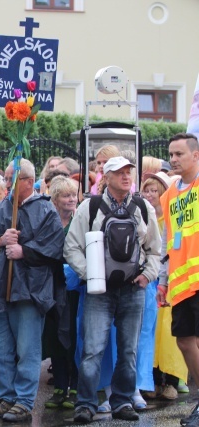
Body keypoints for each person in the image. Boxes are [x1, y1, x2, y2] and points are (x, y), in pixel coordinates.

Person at [64, 156, 161, 424]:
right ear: (106, 177)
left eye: (129, 171)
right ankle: (85, 403)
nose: (126, 176)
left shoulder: (143, 206)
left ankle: (122, 401)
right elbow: (71, 247)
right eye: (119, 172)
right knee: (92, 350)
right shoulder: (90, 206)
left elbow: (155, 248)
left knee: (128, 350)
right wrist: (91, 275)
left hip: (133, 290)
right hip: (99, 292)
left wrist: (148, 276)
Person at [0, 159, 64, 423]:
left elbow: (53, 247)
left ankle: (24, 400)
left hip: (30, 291)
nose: (6, 182)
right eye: (5, 177)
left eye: (11, 177)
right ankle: (6, 396)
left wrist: (25, 250)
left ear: (27, 181)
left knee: (27, 349)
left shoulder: (46, 210)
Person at [158, 133, 199, 427]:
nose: (173, 159)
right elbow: (167, 241)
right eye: (171, 154)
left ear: (195, 156)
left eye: (179, 154)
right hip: (181, 281)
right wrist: (163, 280)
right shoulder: (170, 194)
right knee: (185, 341)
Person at [141, 171, 186, 401]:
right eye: (146, 190)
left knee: (168, 336)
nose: (149, 195)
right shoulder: (144, 219)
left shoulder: (170, 218)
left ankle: (172, 382)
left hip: (168, 282)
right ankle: (153, 381)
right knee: (151, 335)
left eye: (154, 190)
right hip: (150, 283)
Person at [43, 176, 79, 409]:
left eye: (73, 195)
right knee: (55, 334)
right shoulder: (49, 222)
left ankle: (75, 385)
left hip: (75, 288)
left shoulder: (79, 221)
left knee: (74, 335)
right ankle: (60, 386)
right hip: (52, 287)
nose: (71, 200)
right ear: (55, 200)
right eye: (66, 196)